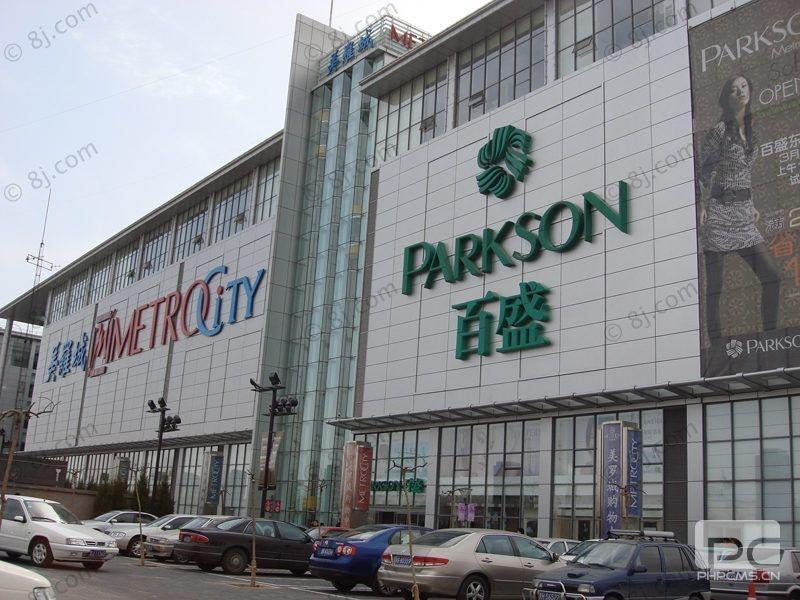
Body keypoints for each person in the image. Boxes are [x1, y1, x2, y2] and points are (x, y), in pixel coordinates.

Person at [699, 74, 780, 340]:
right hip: (719, 214)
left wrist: (752, 203)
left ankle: (770, 339)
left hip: (744, 215)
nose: (741, 91)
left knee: (771, 276)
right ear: (727, 98)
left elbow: (745, 172)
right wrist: (701, 205)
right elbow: (702, 169)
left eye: (744, 86)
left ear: (750, 90)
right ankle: (716, 346)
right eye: (734, 90)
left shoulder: (751, 129)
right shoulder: (720, 131)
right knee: (715, 288)